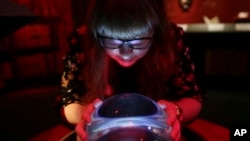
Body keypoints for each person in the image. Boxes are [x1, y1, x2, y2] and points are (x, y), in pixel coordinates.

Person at [56, 0, 205, 140]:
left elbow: (194, 98)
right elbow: (68, 100)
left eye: (139, 41)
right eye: (112, 41)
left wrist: (175, 111)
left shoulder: (171, 37)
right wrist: (84, 114)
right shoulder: (81, 40)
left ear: (155, 31)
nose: (125, 53)